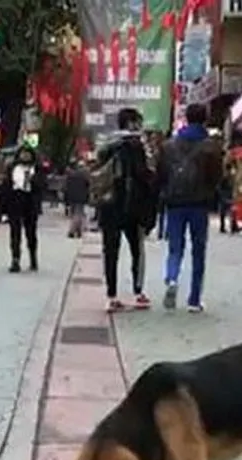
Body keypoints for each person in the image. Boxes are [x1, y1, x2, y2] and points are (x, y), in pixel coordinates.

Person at [157, 103, 224, 312]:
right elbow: (217, 177)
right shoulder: (211, 146)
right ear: (205, 119)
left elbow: (161, 174)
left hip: (175, 202)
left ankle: (172, 278)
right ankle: (194, 300)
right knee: (198, 250)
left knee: (175, 247)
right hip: (200, 204)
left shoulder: (169, 146)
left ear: (186, 118)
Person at [96, 107, 156, 311]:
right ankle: (138, 292)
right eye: (138, 122)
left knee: (110, 251)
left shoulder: (106, 144)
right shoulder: (137, 145)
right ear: (132, 123)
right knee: (137, 250)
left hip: (108, 204)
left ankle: (111, 295)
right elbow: (146, 175)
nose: (139, 126)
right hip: (133, 206)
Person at [4, 145, 43, 272]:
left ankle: (33, 257)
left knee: (31, 232)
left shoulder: (36, 169)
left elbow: (42, 186)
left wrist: (34, 181)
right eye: (23, 154)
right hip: (15, 200)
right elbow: (7, 186)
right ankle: (15, 259)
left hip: (30, 202)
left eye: (27, 154)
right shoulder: (12, 168)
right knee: (15, 232)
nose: (25, 156)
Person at [63, 161, 91, 238]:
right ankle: (72, 231)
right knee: (78, 214)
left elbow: (66, 186)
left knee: (74, 214)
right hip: (81, 196)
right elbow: (88, 185)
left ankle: (78, 230)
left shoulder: (71, 175)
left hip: (72, 196)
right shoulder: (85, 175)